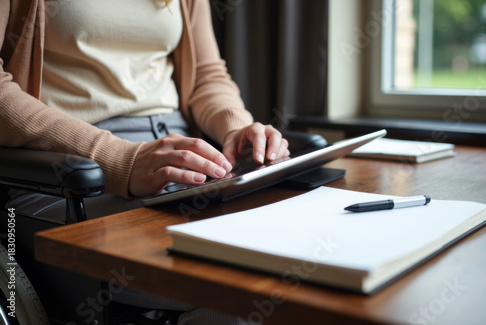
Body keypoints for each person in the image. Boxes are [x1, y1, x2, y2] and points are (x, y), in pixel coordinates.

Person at [0, 0, 288, 323]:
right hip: (70, 177)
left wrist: (235, 127)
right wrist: (122, 161)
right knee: (237, 284)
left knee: (294, 250)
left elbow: (207, 76)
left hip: (184, 163)